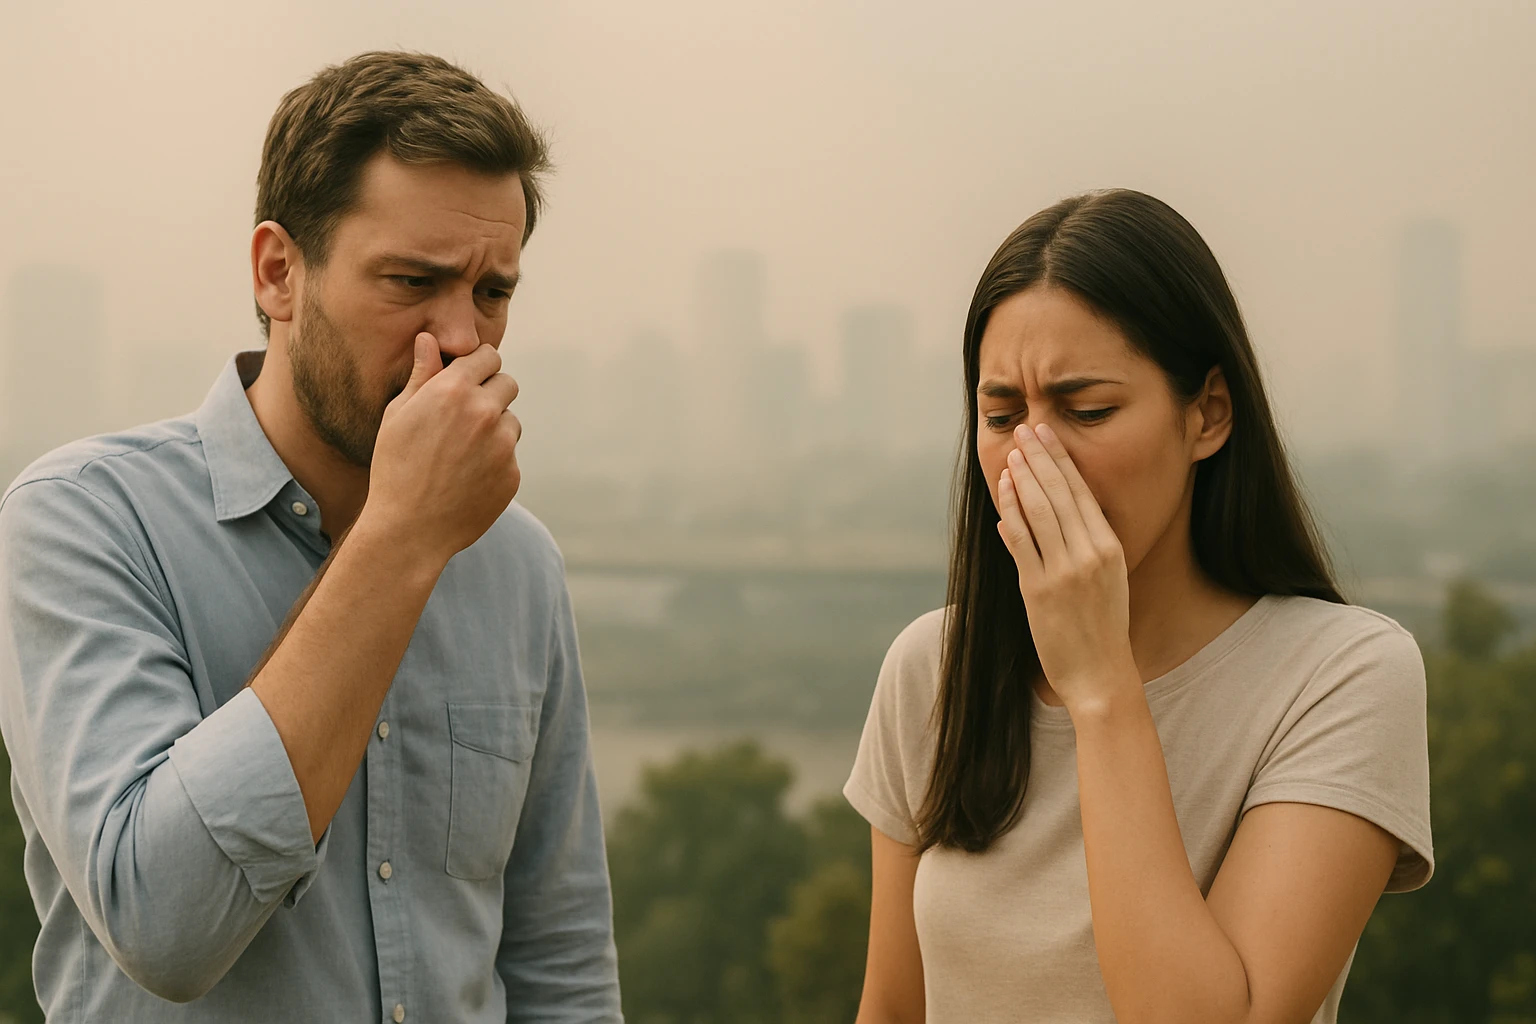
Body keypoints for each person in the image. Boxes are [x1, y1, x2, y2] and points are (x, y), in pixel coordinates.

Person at [0, 51, 621, 1022]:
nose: (462, 338)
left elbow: (560, 957)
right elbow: (163, 925)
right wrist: (400, 540)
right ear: (279, 271)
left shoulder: (517, 563)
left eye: (494, 291)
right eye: (412, 280)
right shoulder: (83, 517)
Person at [846, 188, 1433, 1024]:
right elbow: (893, 1009)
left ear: (1209, 415)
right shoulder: (933, 668)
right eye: (1001, 414)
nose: (1035, 456)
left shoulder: (1341, 675)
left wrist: (1101, 691)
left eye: (1088, 411)